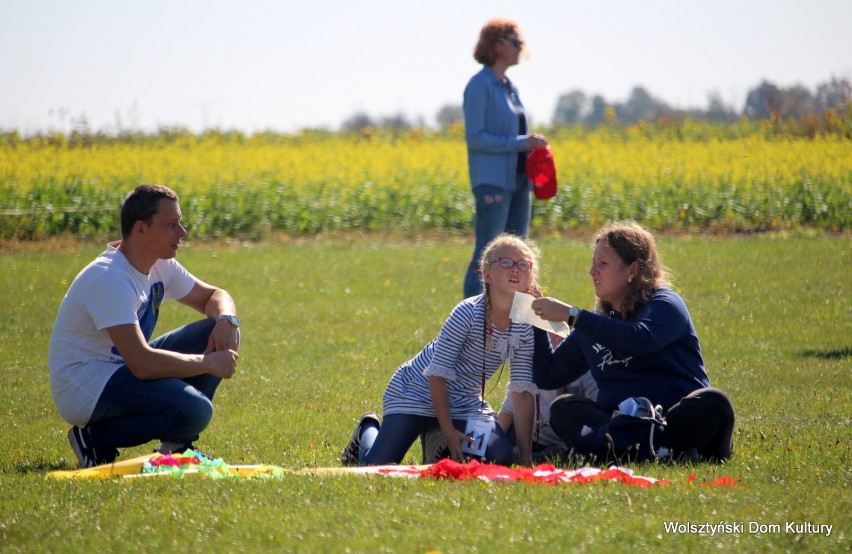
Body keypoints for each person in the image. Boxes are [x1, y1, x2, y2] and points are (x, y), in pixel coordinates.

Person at [48, 184, 241, 468]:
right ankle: (95, 437)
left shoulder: (160, 264)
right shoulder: (109, 278)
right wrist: (208, 363)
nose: (182, 233)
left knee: (215, 330)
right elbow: (143, 364)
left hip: (122, 368)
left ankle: (177, 448)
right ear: (141, 229)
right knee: (196, 411)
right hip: (86, 385)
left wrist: (227, 320)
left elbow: (214, 296)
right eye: (172, 225)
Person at [530, 221, 735, 462]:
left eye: (603, 264)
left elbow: (637, 340)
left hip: (675, 420)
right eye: (593, 263)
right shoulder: (594, 324)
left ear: (632, 270)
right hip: (620, 422)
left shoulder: (666, 304)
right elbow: (548, 375)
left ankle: (622, 448)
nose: (592, 271)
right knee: (563, 408)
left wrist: (573, 315)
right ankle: (663, 450)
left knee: (714, 402)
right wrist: (536, 321)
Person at [341, 234, 541, 467]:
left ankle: (436, 436)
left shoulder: (526, 324)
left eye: (523, 263)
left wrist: (526, 457)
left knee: (500, 457)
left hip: (465, 402)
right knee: (376, 468)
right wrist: (449, 432)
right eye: (505, 262)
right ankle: (367, 427)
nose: (515, 269)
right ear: (487, 275)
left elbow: (521, 391)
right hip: (415, 391)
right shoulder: (466, 312)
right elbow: (436, 375)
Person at [462, 17, 548, 299]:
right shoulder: (480, 85)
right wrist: (521, 143)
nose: (521, 48)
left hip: (519, 182)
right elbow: (476, 137)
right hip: (493, 184)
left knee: (517, 254)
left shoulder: (510, 87)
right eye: (515, 42)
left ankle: (512, 324)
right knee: (487, 254)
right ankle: (470, 322)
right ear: (497, 44)